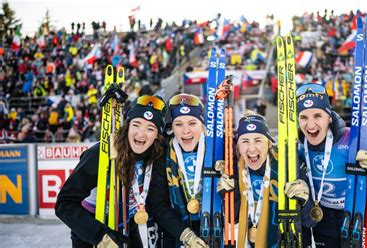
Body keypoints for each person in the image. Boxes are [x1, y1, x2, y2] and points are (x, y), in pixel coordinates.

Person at [284, 84, 367, 248]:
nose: (310, 125)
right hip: (323, 223)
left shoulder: (353, 138)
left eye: (317, 116)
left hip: (360, 218)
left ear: (329, 117)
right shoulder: (297, 147)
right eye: (303, 117)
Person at [55, 95, 168, 248]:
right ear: (127, 126)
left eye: (150, 128)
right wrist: (100, 238)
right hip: (92, 228)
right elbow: (64, 203)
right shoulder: (100, 154)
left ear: (157, 136)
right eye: (136, 125)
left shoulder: (156, 154)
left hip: (127, 224)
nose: (141, 134)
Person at [147, 93, 209, 248]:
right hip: (176, 234)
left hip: (214, 230)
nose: (185, 131)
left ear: (202, 125)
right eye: (179, 124)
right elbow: (159, 204)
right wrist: (185, 235)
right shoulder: (162, 153)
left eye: (192, 123)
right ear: (171, 127)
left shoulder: (216, 150)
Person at [217, 110, 279, 247]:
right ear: (238, 147)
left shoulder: (282, 167)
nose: (251, 149)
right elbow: (234, 218)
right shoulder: (235, 171)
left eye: (258, 140)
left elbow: (309, 222)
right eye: (245, 141)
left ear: (269, 144)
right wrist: (227, 195)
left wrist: (303, 202)